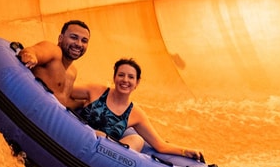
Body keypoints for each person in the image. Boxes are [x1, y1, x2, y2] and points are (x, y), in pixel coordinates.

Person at [72, 58, 206, 161]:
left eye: (131, 77)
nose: (125, 80)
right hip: (75, 137)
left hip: (101, 155)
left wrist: (185, 151)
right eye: (121, 75)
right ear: (114, 77)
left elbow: (159, 144)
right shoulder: (95, 91)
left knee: (137, 140)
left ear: (137, 83)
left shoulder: (135, 114)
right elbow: (64, 92)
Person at [18, 20, 91, 107]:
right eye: (74, 37)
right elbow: (33, 51)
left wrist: (83, 103)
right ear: (60, 38)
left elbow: (62, 102)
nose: (79, 44)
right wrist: (30, 56)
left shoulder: (72, 72)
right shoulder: (54, 51)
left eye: (84, 40)